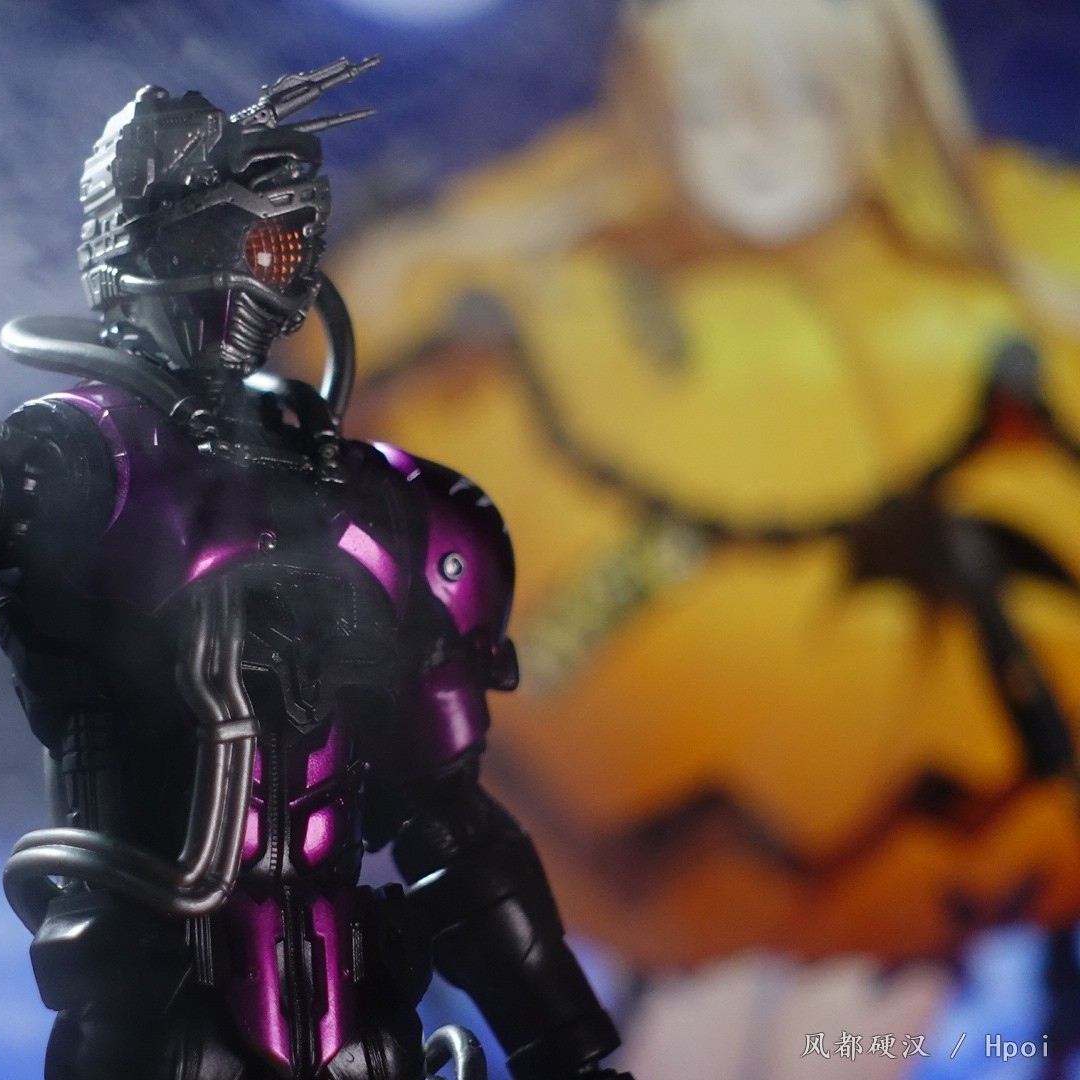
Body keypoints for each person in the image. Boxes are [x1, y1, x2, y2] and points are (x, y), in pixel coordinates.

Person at [0, 61, 632, 1080]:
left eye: (284, 244)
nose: (263, 274)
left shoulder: (386, 508)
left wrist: (568, 1054)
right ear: (150, 247)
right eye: (242, 241)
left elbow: (455, 834)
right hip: (159, 1033)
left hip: (362, 1039)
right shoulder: (76, 461)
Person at [323, 0, 1080, 976]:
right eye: (711, 99)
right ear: (655, 99)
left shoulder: (1010, 266)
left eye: (806, 95)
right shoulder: (520, 278)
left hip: (960, 882)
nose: (757, 135)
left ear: (884, 93)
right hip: (613, 879)